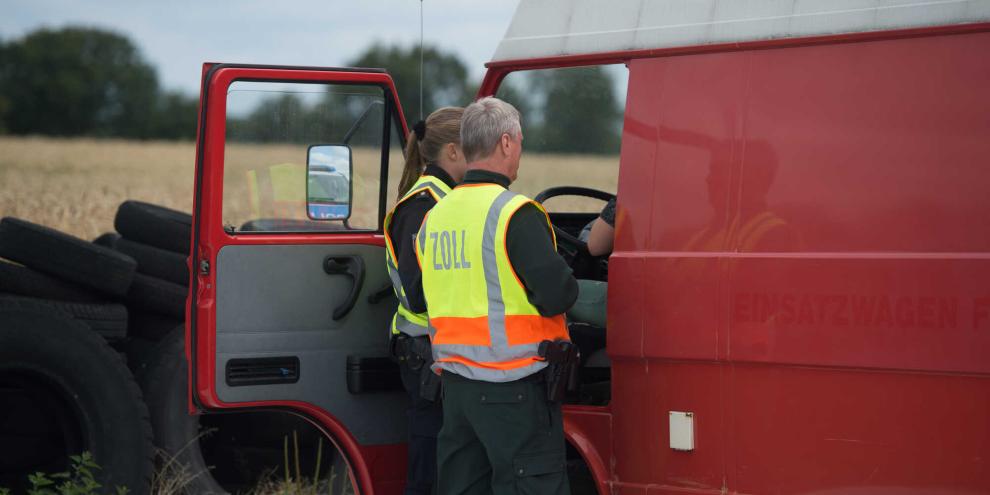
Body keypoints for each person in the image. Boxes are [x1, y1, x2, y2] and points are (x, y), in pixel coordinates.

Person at [414, 96, 578, 494]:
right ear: (506, 143)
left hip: (456, 390)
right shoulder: (513, 213)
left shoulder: (434, 217)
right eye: (519, 142)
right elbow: (559, 295)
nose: (519, 151)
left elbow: (423, 298)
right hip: (514, 392)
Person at [383, 106, 466, 495]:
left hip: (440, 351)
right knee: (429, 466)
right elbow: (418, 293)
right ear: (452, 151)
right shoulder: (423, 205)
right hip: (425, 354)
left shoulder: (447, 199)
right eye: (474, 146)